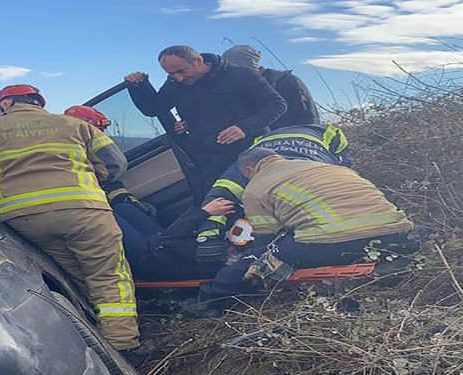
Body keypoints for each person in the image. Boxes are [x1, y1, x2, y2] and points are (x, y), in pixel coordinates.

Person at [0, 84, 143, 358]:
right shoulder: (74, 125)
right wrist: (90, 180)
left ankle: (98, 338)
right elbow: (115, 164)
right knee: (108, 274)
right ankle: (125, 346)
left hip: (25, 218)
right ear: (37, 103)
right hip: (83, 211)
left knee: (74, 275)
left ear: (5, 105)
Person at [200, 147, 417, 299]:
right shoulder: (326, 167)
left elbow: (265, 239)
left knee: (253, 258)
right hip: (400, 234)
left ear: (248, 171)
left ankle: (211, 299)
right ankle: (387, 263)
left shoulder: (255, 187)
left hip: (333, 242)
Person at [124, 45, 287, 192]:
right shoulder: (175, 84)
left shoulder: (240, 75)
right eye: (171, 74)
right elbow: (154, 108)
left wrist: (243, 128)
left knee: (260, 198)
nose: (178, 78)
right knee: (220, 206)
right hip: (209, 160)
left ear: (198, 60)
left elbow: (277, 105)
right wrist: (139, 86)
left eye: (182, 71)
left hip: (250, 153)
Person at [194, 123, 351, 261]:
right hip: (273, 141)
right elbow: (218, 201)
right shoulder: (240, 170)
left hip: (314, 138)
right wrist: (208, 238)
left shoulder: (314, 173)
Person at [63, 105, 156, 216]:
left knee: (130, 210)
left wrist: (128, 200)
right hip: (87, 209)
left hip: (94, 205)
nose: (101, 135)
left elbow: (110, 186)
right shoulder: (75, 158)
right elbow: (116, 164)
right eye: (98, 130)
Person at [222, 44, 320, 129]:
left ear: (255, 69)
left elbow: (309, 119)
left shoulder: (287, 82)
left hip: (291, 143)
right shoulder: (231, 89)